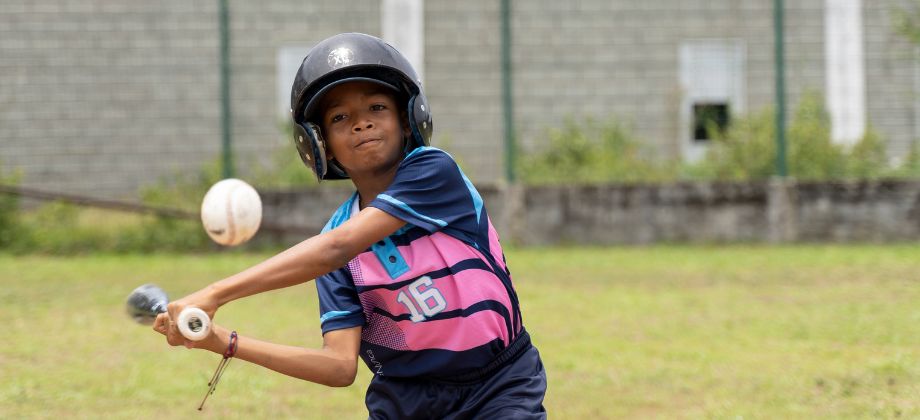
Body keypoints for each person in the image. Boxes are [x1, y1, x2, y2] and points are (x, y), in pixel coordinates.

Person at [154, 32, 547, 419]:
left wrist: (216, 292)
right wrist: (222, 341)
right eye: (340, 117)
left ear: (409, 121)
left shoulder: (435, 173)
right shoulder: (333, 249)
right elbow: (340, 366)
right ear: (319, 143)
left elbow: (337, 247)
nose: (361, 124)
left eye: (377, 107)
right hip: (405, 403)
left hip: (499, 386)